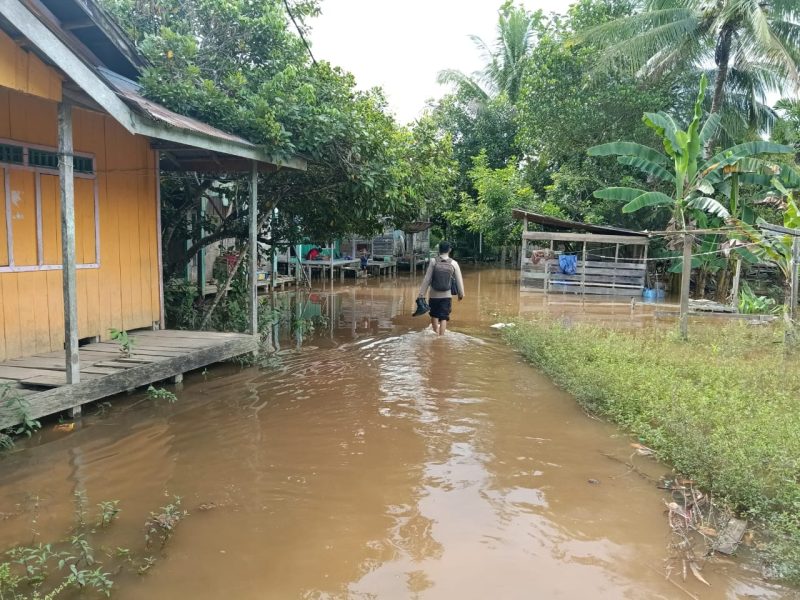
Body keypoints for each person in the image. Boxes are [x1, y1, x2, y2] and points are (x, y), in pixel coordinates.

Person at [418, 241, 464, 336]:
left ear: (439, 250)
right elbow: (459, 280)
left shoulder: (433, 261)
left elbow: (427, 279)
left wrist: (421, 294)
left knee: (434, 315)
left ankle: (436, 333)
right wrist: (461, 294)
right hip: (447, 295)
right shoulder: (454, 263)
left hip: (433, 295)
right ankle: (441, 337)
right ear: (449, 250)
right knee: (444, 317)